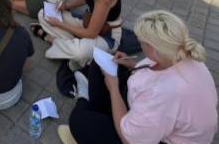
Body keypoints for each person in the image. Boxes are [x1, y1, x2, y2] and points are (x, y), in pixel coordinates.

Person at [58, 11, 218, 144]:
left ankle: (87, 101)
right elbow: (160, 71)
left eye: (142, 42)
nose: (139, 43)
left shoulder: (164, 94)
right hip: (157, 119)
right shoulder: (181, 54)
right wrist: (132, 64)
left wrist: (113, 89)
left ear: (154, 49)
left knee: (78, 120)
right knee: (100, 65)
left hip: (154, 138)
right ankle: (99, 111)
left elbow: (129, 139)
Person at [34, 0, 122, 68]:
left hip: (107, 36)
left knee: (79, 53)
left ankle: (52, 40)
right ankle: (72, 44)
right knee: (43, 14)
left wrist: (60, 24)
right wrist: (65, 6)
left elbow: (91, 34)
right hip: (89, 24)